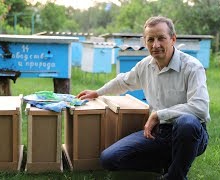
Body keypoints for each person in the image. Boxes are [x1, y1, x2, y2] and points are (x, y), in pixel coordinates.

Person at [76, 16, 210, 180]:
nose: (155, 45)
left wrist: (159, 114)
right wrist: (97, 92)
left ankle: (175, 176)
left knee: (186, 123)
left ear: (173, 39)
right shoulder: (145, 65)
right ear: (145, 42)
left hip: (189, 133)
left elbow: (200, 108)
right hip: (158, 133)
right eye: (150, 39)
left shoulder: (192, 67)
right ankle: (169, 162)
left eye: (161, 38)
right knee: (109, 159)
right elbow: (123, 81)